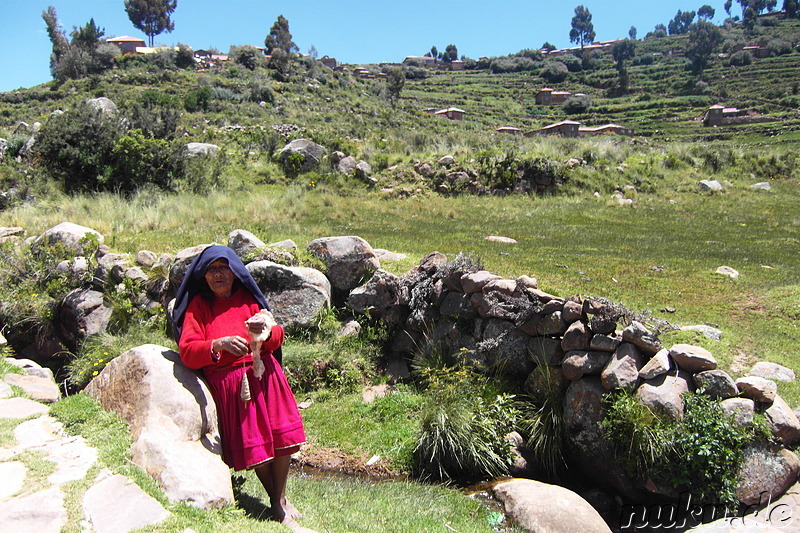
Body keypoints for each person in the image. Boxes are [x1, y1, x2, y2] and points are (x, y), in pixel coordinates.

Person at [172, 245, 310, 530]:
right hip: (233, 385)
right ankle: (277, 501)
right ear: (204, 275)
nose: (218, 274)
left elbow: (277, 334)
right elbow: (188, 350)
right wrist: (217, 344)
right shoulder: (199, 306)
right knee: (256, 444)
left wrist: (267, 331)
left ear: (235, 273)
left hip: (265, 374)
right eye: (212, 269)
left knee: (282, 438)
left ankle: (279, 498)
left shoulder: (248, 298)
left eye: (223, 267)